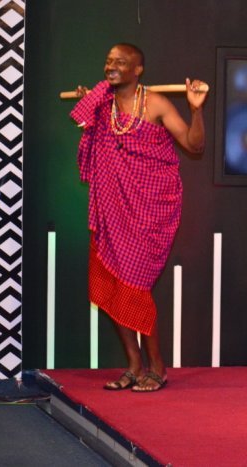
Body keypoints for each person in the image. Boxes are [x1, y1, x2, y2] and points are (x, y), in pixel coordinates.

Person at [69, 43, 207, 392]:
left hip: (148, 210)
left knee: (135, 289)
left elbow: (194, 146)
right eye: (108, 60)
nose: (111, 66)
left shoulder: (156, 104)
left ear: (138, 70)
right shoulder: (103, 104)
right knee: (113, 287)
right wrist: (91, 101)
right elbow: (88, 128)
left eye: (120, 61)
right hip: (111, 211)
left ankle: (157, 368)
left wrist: (196, 110)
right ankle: (134, 365)